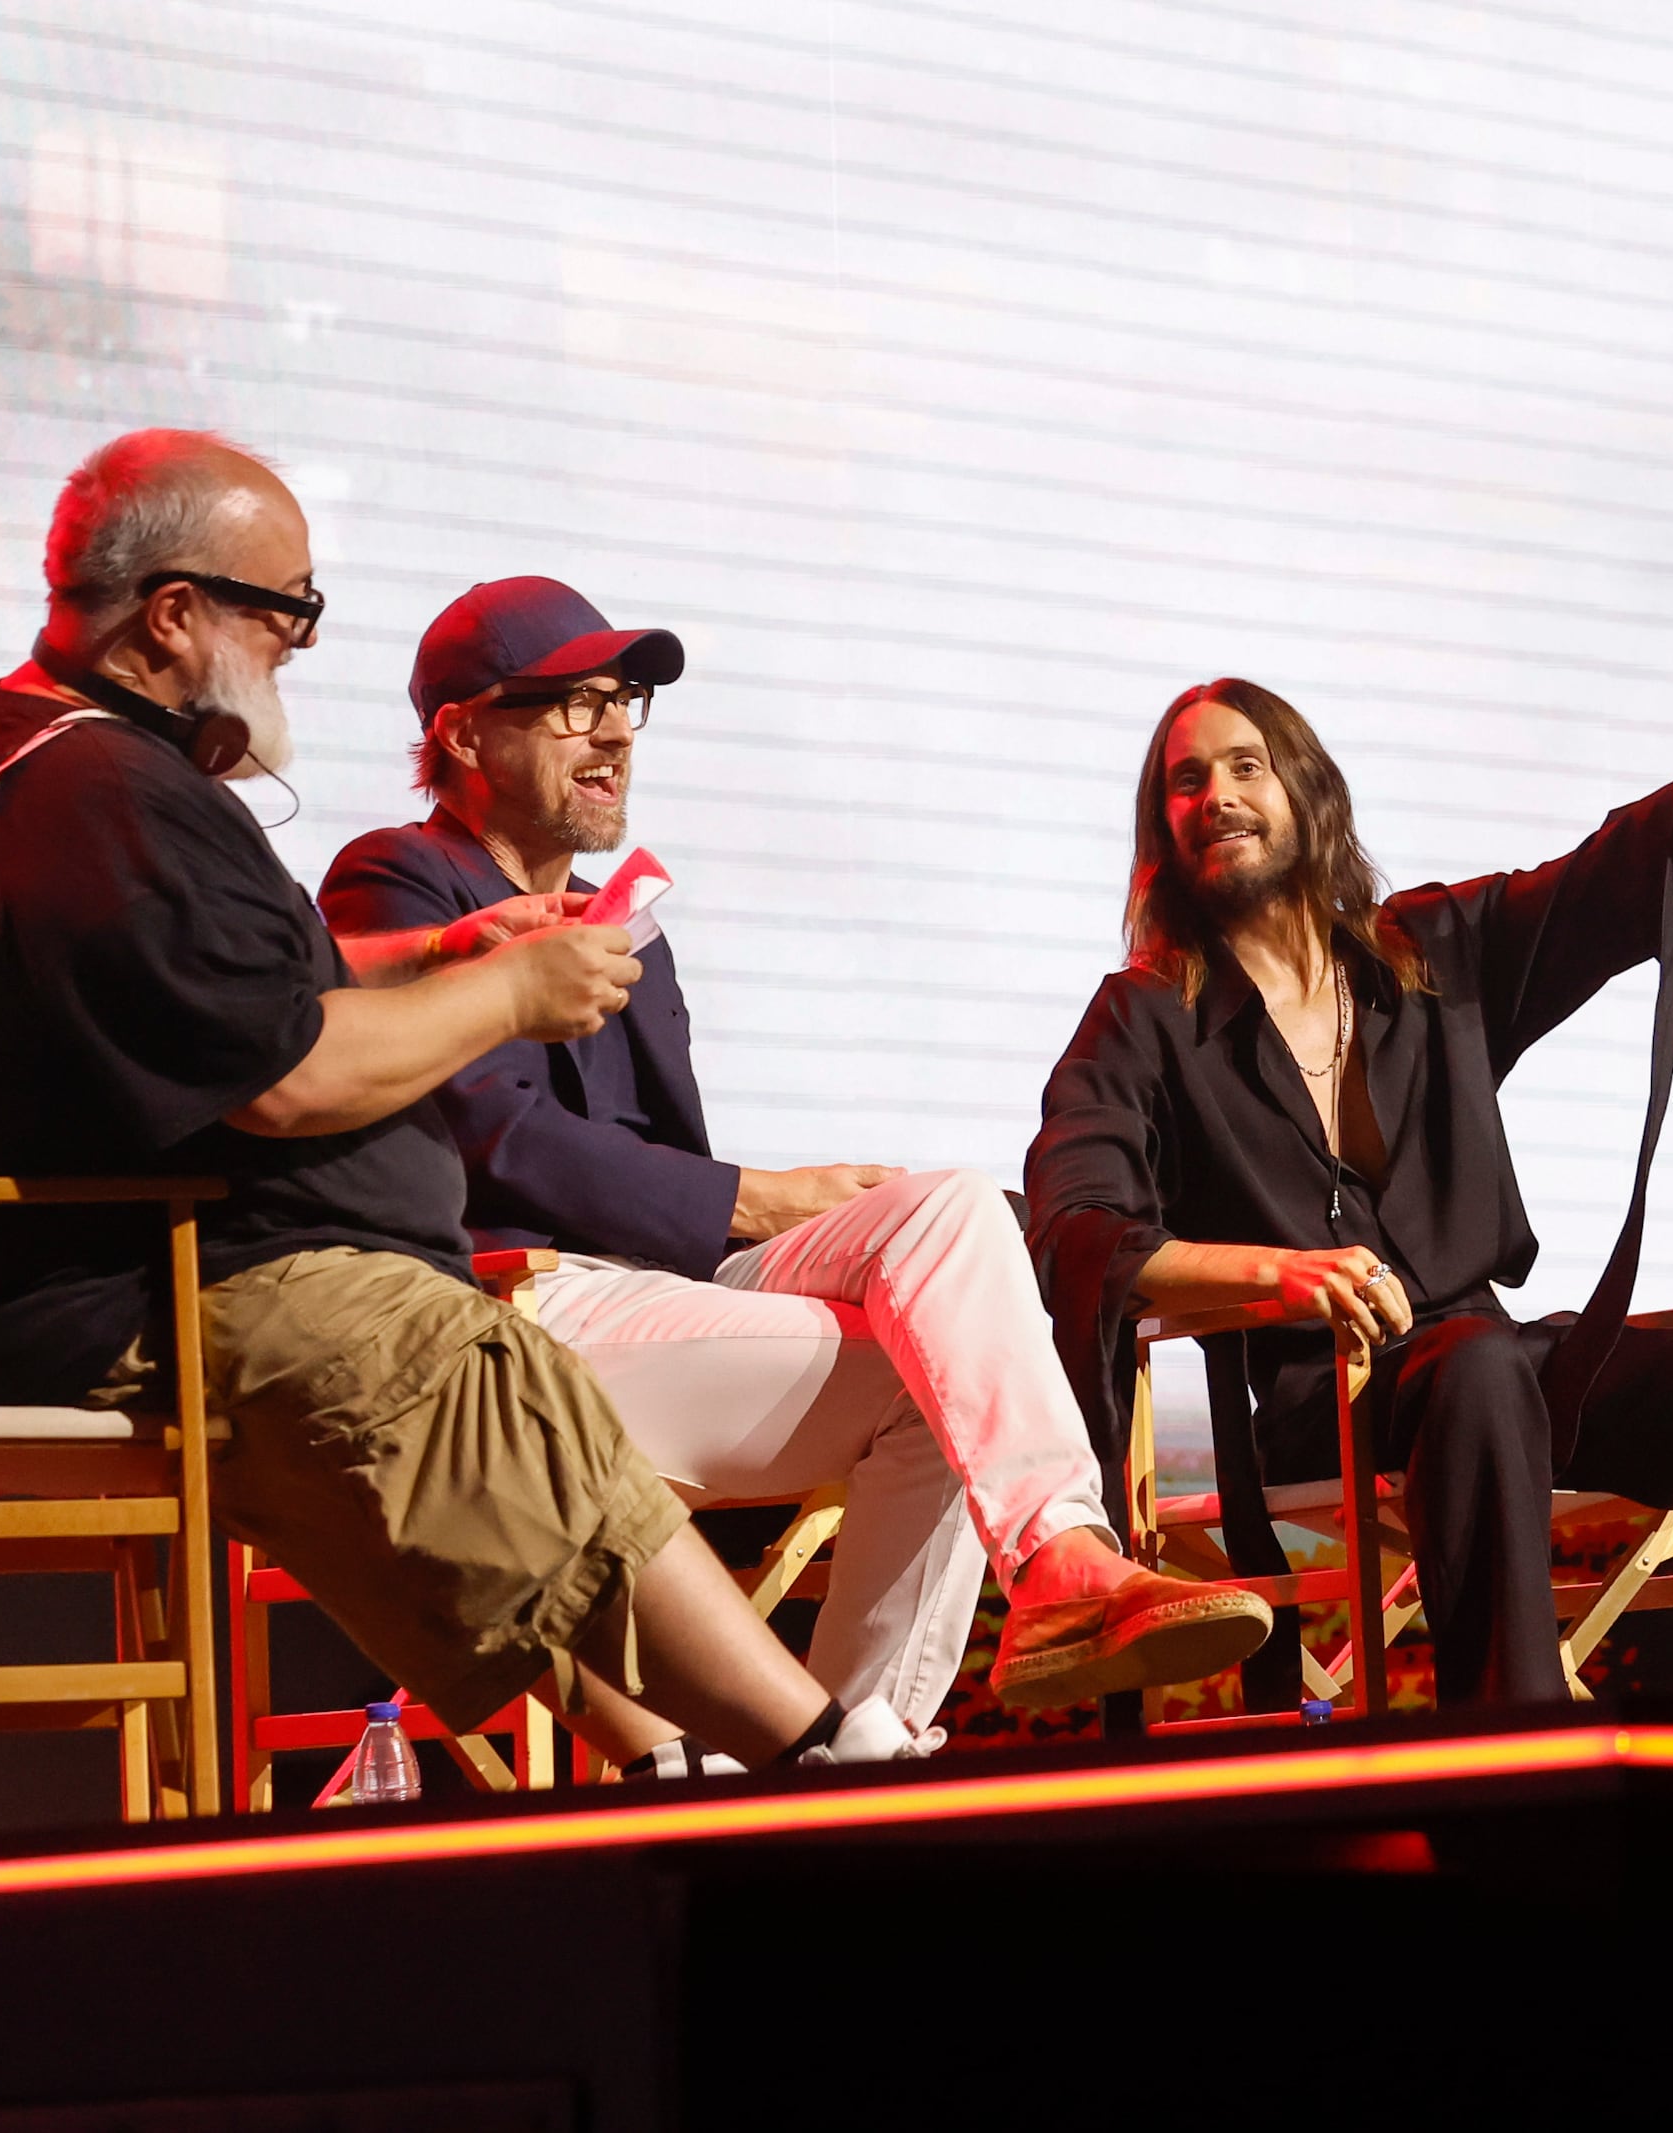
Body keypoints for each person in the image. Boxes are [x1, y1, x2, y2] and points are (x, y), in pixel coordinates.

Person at [0, 430, 847, 1770]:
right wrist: (513, 997)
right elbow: (289, 1076)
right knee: (449, 1363)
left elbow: (240, 994)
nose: (299, 651)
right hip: (80, 1305)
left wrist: (445, 952)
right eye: (286, 615)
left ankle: (664, 1759)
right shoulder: (99, 794)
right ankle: (819, 1748)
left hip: (113, 1275)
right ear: (174, 615)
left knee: (409, 1370)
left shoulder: (70, 764)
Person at [321, 578, 1272, 1753]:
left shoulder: (625, 922)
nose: (617, 729)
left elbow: (664, 1170)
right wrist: (756, 1200)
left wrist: (781, 1211)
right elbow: (483, 1135)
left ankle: (997, 1620)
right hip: (512, 1319)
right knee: (941, 1358)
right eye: (574, 704)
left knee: (953, 1230)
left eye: (624, 701)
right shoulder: (402, 881)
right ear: (465, 733)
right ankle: (841, 1753)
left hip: (654, 1301)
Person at [1025, 602, 1673, 1709]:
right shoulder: (1144, 1016)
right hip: (1325, 1391)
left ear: (1308, 794)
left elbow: (1628, 870)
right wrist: (1275, 1273)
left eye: (1245, 766)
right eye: (1185, 783)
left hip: (1492, 1357)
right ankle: (1512, 1746)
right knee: (1477, 1371)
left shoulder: (1430, 952)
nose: (1217, 797)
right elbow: (1076, 1223)